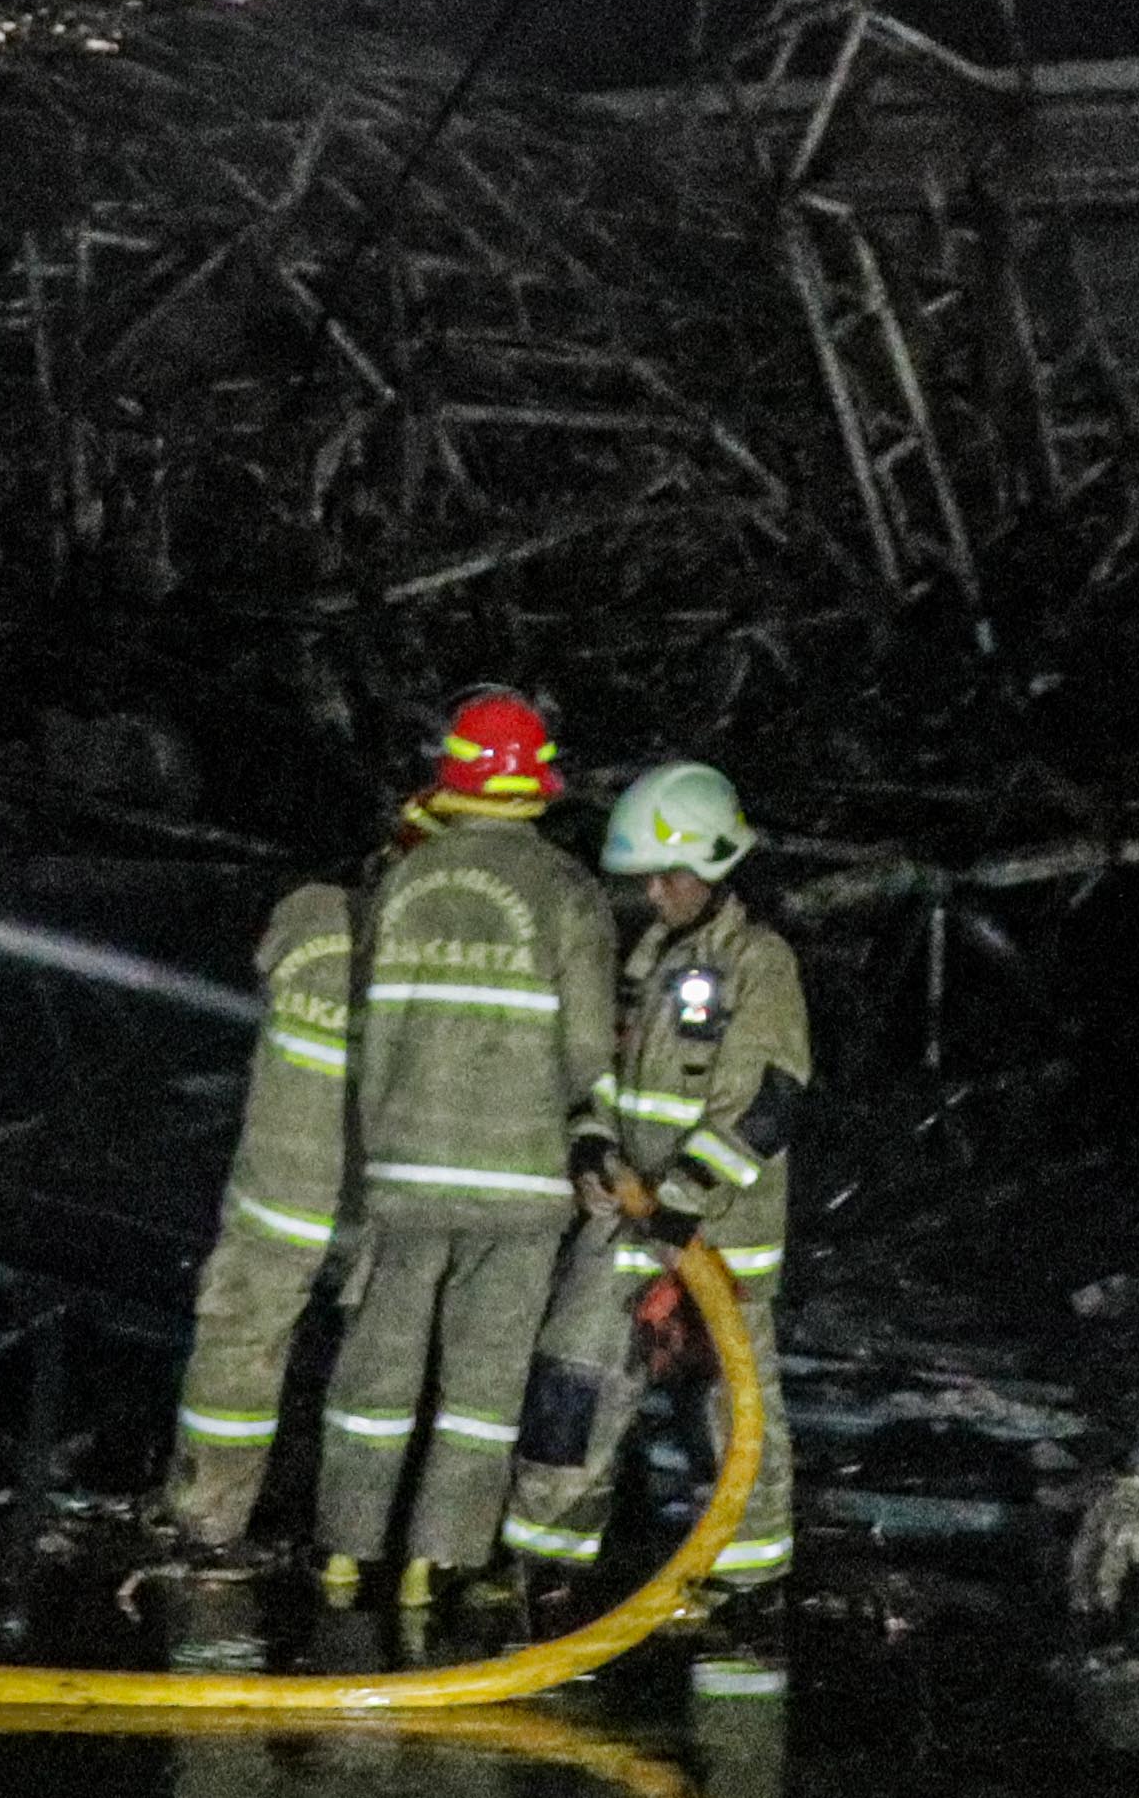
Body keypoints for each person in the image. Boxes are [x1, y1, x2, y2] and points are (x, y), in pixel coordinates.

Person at [312, 687, 614, 1609]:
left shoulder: (399, 884)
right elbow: (590, 1049)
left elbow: (365, 1027)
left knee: (377, 1367)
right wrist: (587, 1135)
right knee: (480, 1385)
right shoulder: (565, 891)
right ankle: (431, 1565)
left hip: (403, 1174)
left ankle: (342, 1553)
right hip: (518, 1186)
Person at [498, 759, 812, 1624]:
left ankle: (750, 1587)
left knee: (733, 1411)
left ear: (715, 867)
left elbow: (767, 1103)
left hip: (716, 1236)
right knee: (572, 1384)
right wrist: (594, 1148)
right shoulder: (647, 956)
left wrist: (678, 1199)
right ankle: (546, 1567)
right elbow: (606, 1072)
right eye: (648, 874)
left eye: (668, 874)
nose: (654, 889)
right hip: (627, 1219)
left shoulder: (759, 962)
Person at [156, 863, 361, 1558]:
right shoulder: (439, 942)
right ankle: (353, 1547)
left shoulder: (307, 911)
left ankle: (205, 1524)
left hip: (277, 1199)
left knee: (237, 1354)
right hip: (371, 1209)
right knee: (378, 1374)